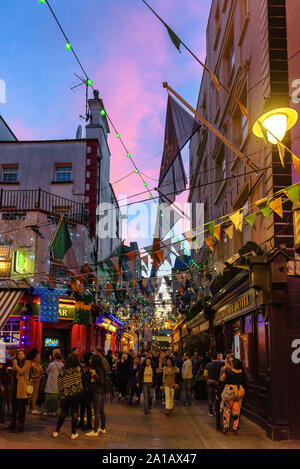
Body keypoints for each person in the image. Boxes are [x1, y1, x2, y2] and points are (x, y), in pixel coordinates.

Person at [52, 353, 84, 440]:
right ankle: (73, 433)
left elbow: (59, 381)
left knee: (63, 412)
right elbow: (82, 379)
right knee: (74, 412)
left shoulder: (63, 369)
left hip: (65, 394)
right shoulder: (79, 368)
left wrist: (61, 393)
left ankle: (56, 431)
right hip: (76, 393)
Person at [220, 358, 246, 434]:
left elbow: (221, 379)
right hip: (239, 390)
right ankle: (235, 427)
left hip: (230, 391)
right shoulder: (242, 372)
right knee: (236, 409)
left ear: (233, 365)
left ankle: (226, 427)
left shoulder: (228, 371)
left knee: (227, 408)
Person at [9, 350, 31, 432]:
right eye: (18, 354)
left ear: (25, 355)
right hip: (15, 386)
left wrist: (15, 365)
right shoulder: (16, 363)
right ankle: (13, 423)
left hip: (22, 387)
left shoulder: (27, 363)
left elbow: (21, 372)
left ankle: (20, 425)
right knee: (14, 406)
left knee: (21, 407)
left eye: (22, 354)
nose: (20, 355)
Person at [85, 354, 107, 436]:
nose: (90, 360)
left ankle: (95, 431)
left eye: (91, 359)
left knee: (97, 411)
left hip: (97, 391)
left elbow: (100, 380)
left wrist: (94, 375)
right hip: (101, 391)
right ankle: (103, 428)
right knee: (101, 410)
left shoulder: (97, 369)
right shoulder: (102, 368)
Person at [44, 350, 64, 416]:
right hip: (59, 383)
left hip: (51, 382)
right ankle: (56, 410)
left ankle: (50, 410)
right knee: (57, 397)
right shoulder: (62, 365)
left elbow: (47, 372)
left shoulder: (51, 364)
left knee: (50, 396)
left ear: (54, 358)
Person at [77, 352, 92, 431]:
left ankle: (88, 423)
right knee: (82, 406)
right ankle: (82, 421)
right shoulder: (84, 366)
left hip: (87, 389)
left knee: (87, 406)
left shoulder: (90, 368)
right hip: (83, 389)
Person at [26, 348, 43, 415]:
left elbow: (41, 372)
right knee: (33, 395)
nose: (39, 358)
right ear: (35, 358)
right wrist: (37, 376)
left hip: (38, 381)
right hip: (33, 381)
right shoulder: (32, 365)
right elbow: (30, 375)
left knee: (35, 395)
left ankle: (32, 408)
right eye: (38, 357)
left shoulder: (39, 365)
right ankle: (33, 408)